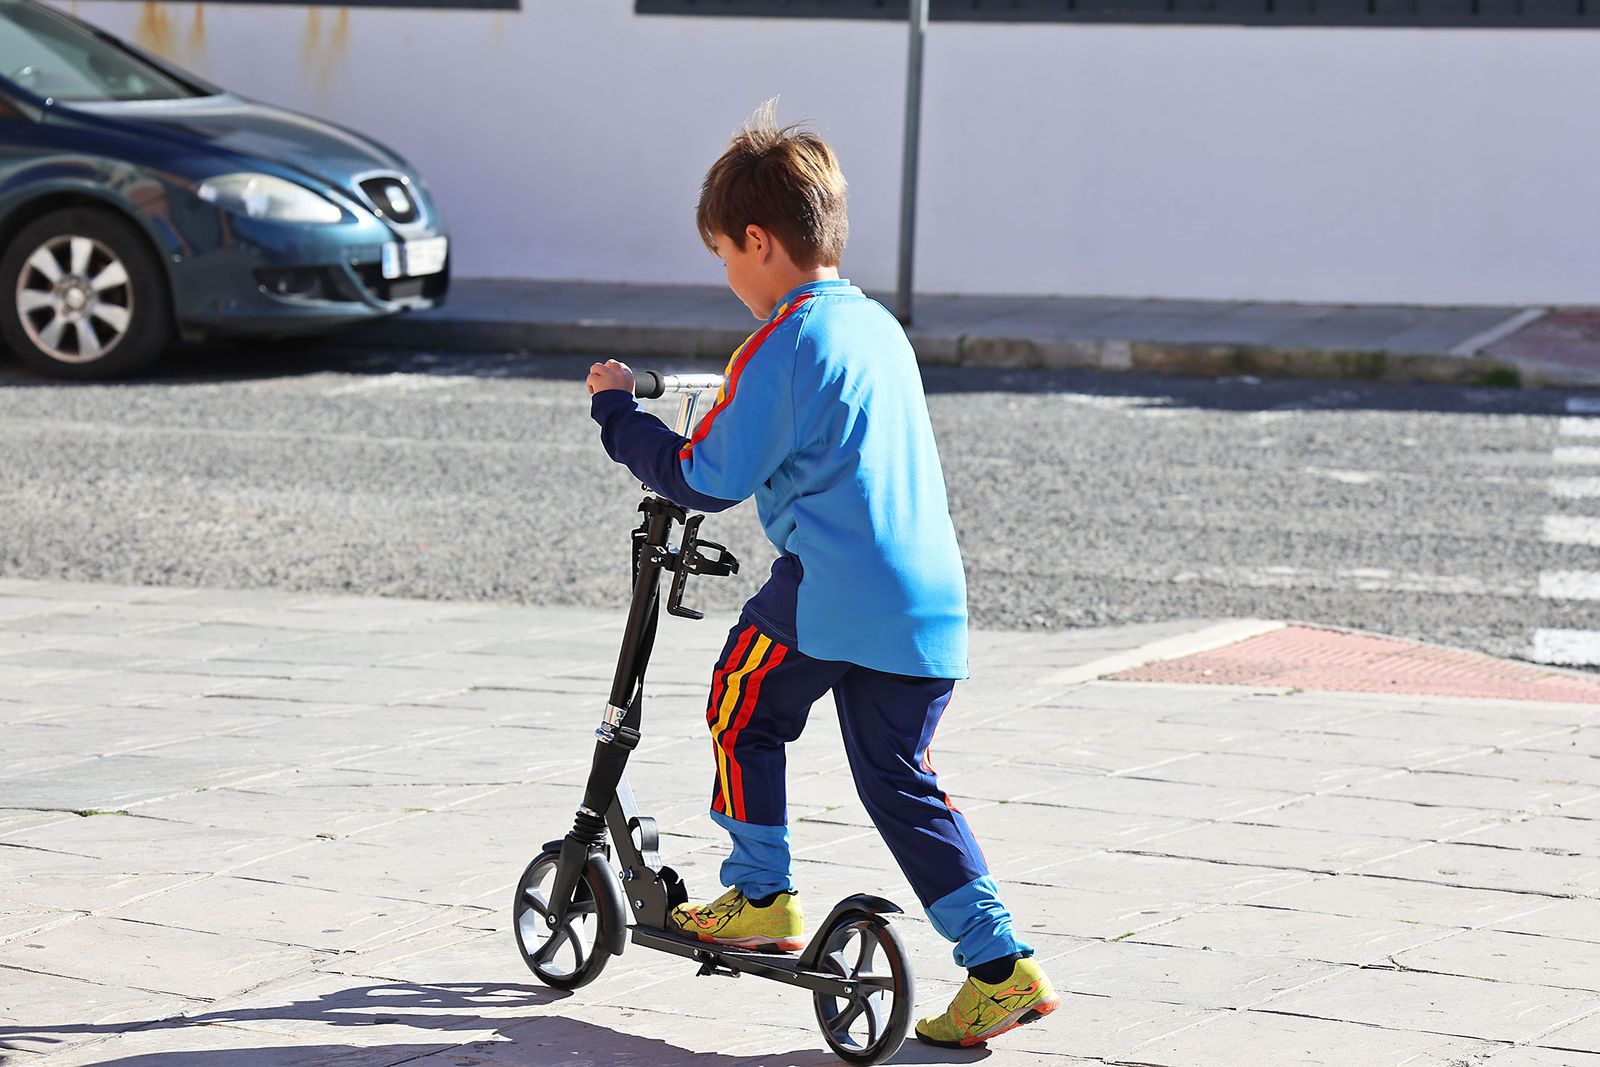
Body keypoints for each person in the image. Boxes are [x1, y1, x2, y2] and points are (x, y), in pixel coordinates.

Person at [584, 102, 1058, 1049]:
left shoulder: (781, 339)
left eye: (724, 254)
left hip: (835, 588)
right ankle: (1001, 968)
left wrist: (616, 416)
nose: (727, 277)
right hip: (927, 601)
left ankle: (761, 893)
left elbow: (704, 476)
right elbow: (811, 421)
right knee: (900, 780)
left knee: (738, 698)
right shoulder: (875, 327)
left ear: (758, 241)